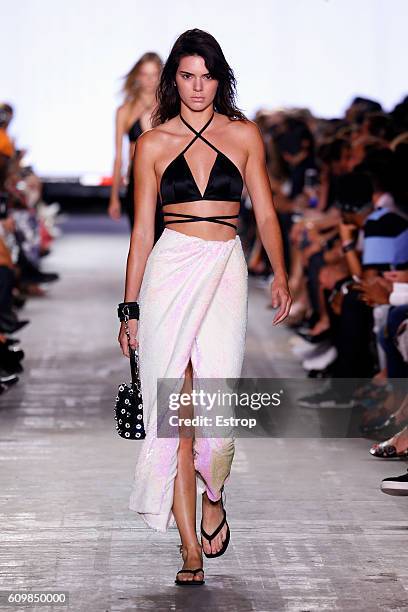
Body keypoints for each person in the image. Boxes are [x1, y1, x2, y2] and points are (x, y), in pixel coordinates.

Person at [117, 28, 291, 586]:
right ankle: (190, 547)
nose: (197, 87)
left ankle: (214, 493)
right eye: (187, 76)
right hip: (171, 268)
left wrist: (283, 273)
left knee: (215, 399)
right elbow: (142, 231)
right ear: (174, 79)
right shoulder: (152, 142)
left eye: (207, 76)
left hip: (224, 269)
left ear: (221, 78)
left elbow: (264, 211)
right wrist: (129, 308)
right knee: (178, 410)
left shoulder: (243, 135)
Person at [108, 52, 165, 242]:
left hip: (164, 182)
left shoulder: (169, 109)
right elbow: (119, 157)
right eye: (144, 74)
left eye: (154, 74)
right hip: (137, 181)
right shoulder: (125, 111)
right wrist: (114, 196)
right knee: (141, 239)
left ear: (161, 75)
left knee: (163, 241)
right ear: (137, 76)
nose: (149, 80)